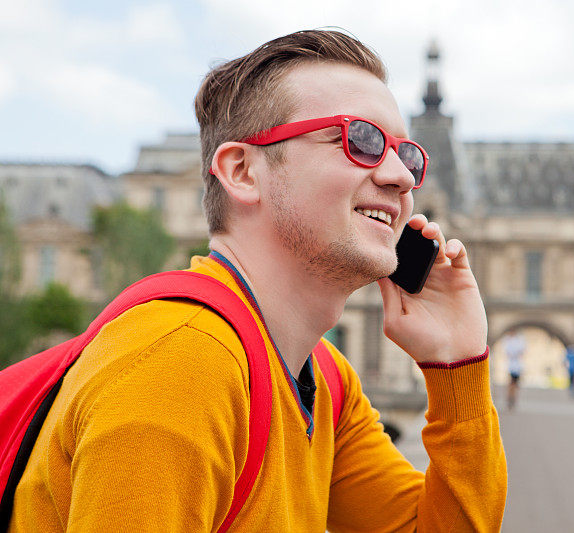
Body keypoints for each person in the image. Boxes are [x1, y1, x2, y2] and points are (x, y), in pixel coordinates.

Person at [9, 30, 507, 531]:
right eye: (361, 141)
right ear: (243, 171)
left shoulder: (323, 376)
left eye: (407, 154)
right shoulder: (180, 367)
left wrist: (457, 364)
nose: (401, 175)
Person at [503, 329, 526, 410]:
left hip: (517, 366)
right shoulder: (508, 340)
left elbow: (522, 352)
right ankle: (510, 399)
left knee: (515, 385)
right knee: (511, 384)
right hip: (512, 366)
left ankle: (513, 400)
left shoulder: (519, 340)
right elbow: (509, 352)